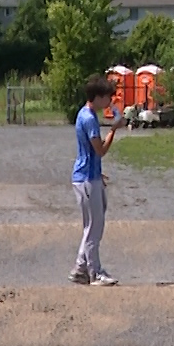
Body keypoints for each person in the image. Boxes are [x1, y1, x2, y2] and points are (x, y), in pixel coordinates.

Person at [70, 74, 120, 287]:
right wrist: (114, 129)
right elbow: (99, 151)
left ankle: (80, 269)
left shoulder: (84, 114)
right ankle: (95, 272)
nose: (109, 101)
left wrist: (98, 173)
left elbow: (91, 153)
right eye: (107, 97)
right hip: (86, 179)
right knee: (94, 227)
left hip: (89, 176)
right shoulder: (89, 119)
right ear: (98, 97)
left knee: (92, 225)